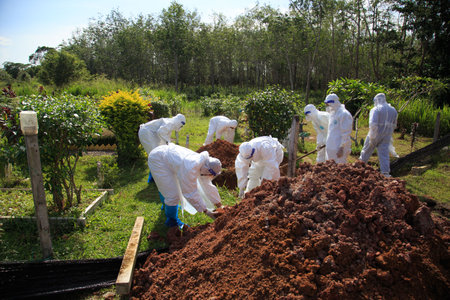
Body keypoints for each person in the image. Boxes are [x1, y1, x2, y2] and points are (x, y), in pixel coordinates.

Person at [148, 143, 223, 228]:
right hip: (158, 160)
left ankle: (167, 206)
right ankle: (172, 221)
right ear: (207, 169)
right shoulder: (190, 168)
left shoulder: (203, 163)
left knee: (168, 188)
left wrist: (219, 204)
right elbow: (190, 193)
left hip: (167, 157)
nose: (210, 177)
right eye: (210, 174)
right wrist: (206, 211)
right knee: (172, 194)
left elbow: (207, 184)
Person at [359, 93, 398, 177]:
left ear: (376, 100)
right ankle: (385, 173)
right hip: (386, 135)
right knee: (384, 154)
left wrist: (372, 137)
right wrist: (388, 133)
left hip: (375, 134)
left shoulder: (376, 109)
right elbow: (394, 124)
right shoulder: (393, 110)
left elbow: (373, 124)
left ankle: (359, 167)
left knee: (366, 151)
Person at [324, 94, 353, 164]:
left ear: (333, 103)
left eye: (329, 104)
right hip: (331, 147)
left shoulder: (344, 114)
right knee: (330, 167)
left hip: (338, 148)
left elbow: (346, 132)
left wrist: (342, 147)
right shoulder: (333, 113)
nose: (328, 107)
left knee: (339, 168)